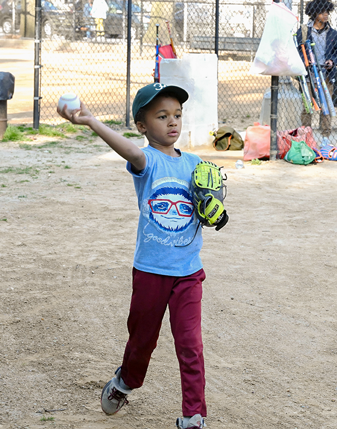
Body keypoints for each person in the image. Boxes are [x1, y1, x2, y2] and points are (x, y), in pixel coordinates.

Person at [57, 82, 210, 429]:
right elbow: (131, 152)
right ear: (142, 126)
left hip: (188, 272)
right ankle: (126, 380)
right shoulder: (148, 160)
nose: (172, 122)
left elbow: (205, 205)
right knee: (143, 340)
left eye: (177, 115)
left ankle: (194, 416)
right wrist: (93, 122)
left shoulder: (196, 163)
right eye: (161, 116)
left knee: (191, 345)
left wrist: (214, 210)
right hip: (152, 271)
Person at [296, 0, 337, 146]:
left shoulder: (333, 33)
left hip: (326, 76)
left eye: (327, 12)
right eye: (323, 12)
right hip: (308, 75)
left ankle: (325, 137)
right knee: (307, 106)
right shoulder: (304, 31)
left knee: (326, 107)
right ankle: (305, 135)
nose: (326, 15)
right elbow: (297, 50)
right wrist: (305, 61)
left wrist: (332, 62)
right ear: (315, 14)